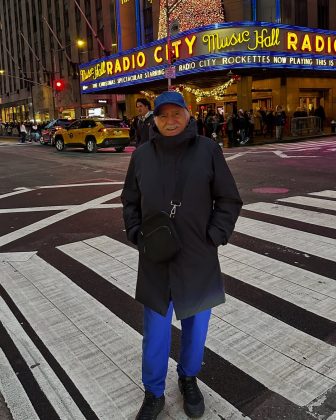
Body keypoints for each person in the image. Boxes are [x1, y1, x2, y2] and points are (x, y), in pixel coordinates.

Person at [121, 91, 242, 420]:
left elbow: (229, 200)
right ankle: (154, 391)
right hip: (155, 260)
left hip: (198, 260)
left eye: (176, 114)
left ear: (188, 115)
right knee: (155, 332)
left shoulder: (208, 150)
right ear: (154, 119)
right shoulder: (142, 155)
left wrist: (214, 237)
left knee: (196, 330)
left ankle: (188, 378)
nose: (169, 121)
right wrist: (136, 233)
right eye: (162, 115)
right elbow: (130, 200)